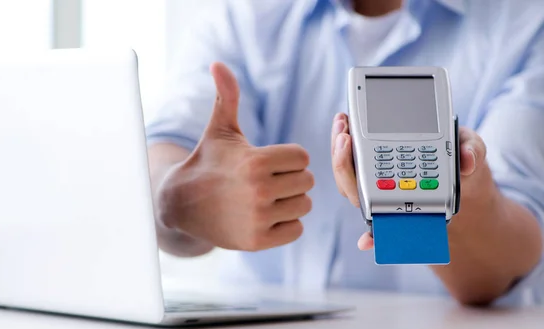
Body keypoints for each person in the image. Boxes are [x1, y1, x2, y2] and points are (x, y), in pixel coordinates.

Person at [146, 0, 544, 306]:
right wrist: (174, 198)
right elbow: (165, 150)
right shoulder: (244, 12)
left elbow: (504, 266)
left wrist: (459, 200)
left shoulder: (526, 22)